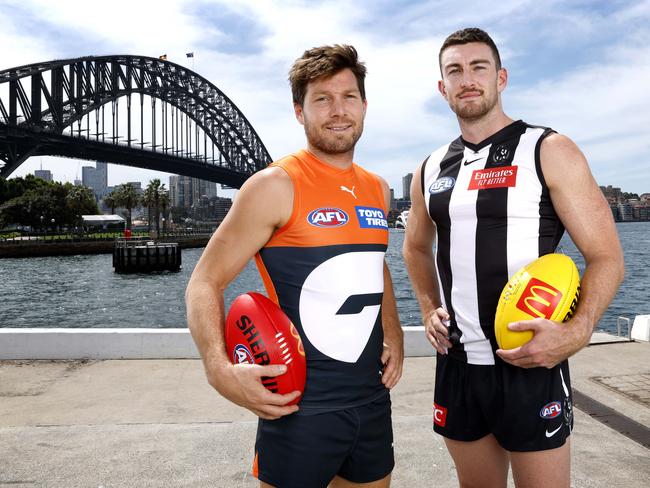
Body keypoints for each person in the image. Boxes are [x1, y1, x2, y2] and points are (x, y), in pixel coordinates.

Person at [403, 28, 624, 488]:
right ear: (442, 88)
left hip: (531, 363)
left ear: (500, 77)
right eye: (454, 71)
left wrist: (576, 332)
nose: (467, 79)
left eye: (478, 67)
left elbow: (606, 256)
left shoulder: (548, 149)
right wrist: (427, 308)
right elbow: (415, 245)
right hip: (458, 363)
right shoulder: (430, 167)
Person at [186, 44, 404, 488]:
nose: (338, 110)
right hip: (298, 406)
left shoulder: (378, 189)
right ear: (299, 112)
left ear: (364, 105)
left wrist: (395, 332)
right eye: (322, 99)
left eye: (349, 97)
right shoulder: (274, 185)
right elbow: (205, 281)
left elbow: (373, 265)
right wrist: (218, 369)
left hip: (371, 400)